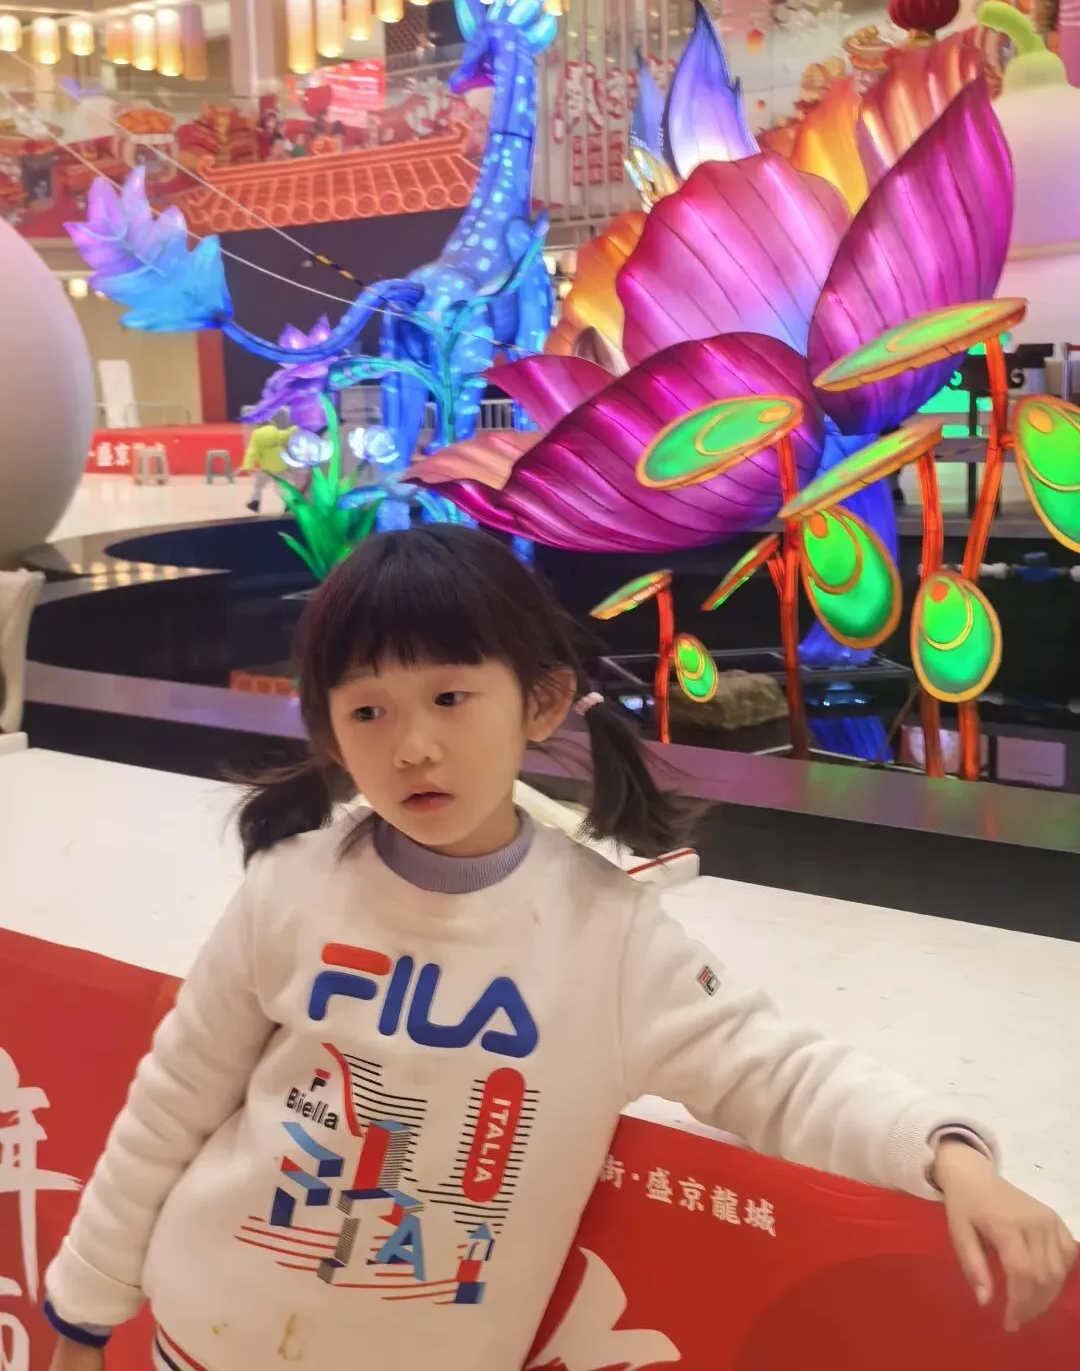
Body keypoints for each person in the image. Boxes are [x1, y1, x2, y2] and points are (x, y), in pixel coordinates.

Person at [45, 527, 1074, 1371]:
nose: (413, 746)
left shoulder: (606, 935)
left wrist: (948, 1156)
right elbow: (172, 1106)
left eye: (451, 697)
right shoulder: (290, 887)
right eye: (368, 710)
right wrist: (83, 1311)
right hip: (207, 1331)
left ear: (538, 701)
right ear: (328, 729)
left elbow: (776, 1075)